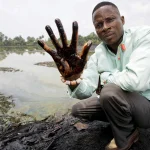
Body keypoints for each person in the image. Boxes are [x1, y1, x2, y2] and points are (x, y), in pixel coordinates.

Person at [38, 1, 150, 150]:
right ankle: (122, 119)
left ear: (122, 20)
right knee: (79, 109)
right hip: (122, 103)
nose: (105, 27)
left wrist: (103, 81)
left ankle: (126, 137)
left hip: (145, 106)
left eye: (110, 20)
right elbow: (86, 89)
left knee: (108, 92)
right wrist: (74, 79)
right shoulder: (98, 53)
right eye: (98, 25)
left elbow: (135, 81)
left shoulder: (143, 35)